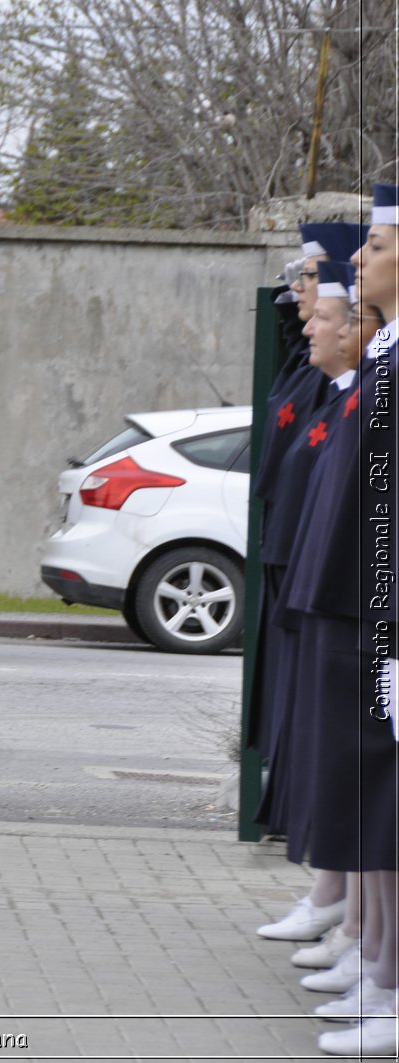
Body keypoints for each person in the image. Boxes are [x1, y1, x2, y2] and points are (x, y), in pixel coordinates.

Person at [285, 185, 399, 1057]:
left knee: (386, 805)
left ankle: (388, 976)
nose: (357, 260)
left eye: (377, 246)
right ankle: (379, 963)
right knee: (371, 802)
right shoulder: (385, 362)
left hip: (377, 609)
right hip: (353, 601)